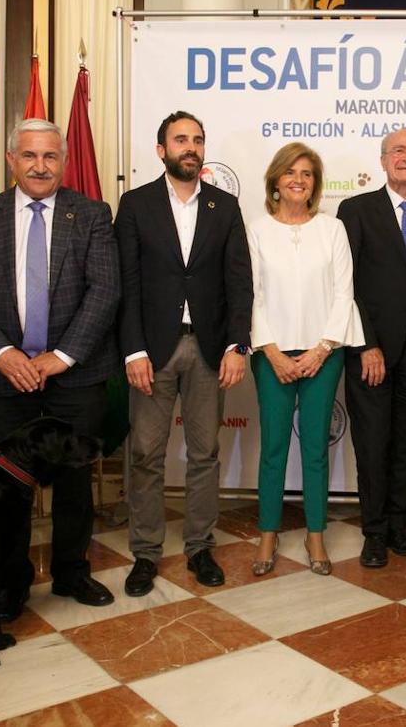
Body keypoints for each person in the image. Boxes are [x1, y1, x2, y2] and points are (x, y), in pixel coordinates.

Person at [0, 118, 120, 613]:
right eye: (29, 156)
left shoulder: (91, 214)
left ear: (64, 161)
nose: (40, 165)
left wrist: (61, 356)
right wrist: (3, 354)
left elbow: (105, 290)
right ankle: (13, 581)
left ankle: (72, 572)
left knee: (74, 482)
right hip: (3, 377)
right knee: (7, 488)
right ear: (11, 161)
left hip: (75, 375)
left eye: (50, 156)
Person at [116, 111, 253, 594]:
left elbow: (240, 284)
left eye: (197, 139)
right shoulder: (134, 205)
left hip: (210, 349)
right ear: (161, 150)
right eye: (180, 140)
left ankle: (199, 546)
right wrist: (132, 350)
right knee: (146, 454)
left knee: (205, 453)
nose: (190, 147)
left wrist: (238, 345)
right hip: (152, 350)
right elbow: (126, 284)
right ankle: (146, 553)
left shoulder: (226, 206)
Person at [247, 143, 363, 576]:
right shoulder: (257, 229)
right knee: (273, 448)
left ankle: (316, 534)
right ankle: (268, 535)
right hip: (270, 354)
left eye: (308, 173)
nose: (299, 179)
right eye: (291, 172)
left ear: (315, 183)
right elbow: (252, 295)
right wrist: (273, 352)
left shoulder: (332, 229)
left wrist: (320, 350)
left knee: (316, 448)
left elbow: (343, 293)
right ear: (275, 180)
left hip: (324, 353)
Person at [339, 128, 406, 569]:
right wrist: (367, 345)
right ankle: (374, 532)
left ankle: (399, 526)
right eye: (399, 150)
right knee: (373, 443)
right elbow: (347, 286)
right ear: (382, 160)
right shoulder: (355, 210)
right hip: (371, 352)